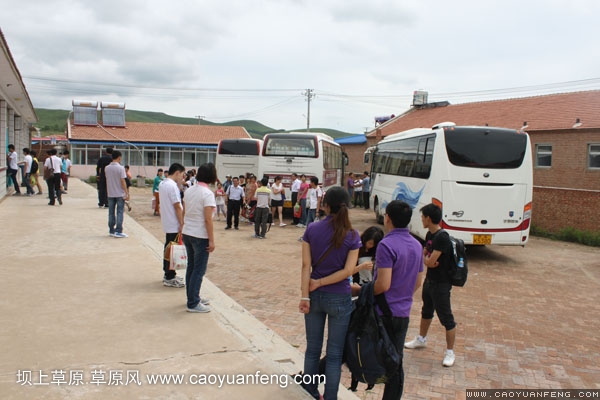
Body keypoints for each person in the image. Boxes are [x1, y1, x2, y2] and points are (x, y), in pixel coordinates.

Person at [299, 186, 361, 400]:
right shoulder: (352, 235)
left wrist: (305, 294)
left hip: (314, 297)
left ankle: (309, 393)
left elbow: (305, 265)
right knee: (334, 355)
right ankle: (331, 397)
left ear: (325, 205)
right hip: (340, 298)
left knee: (312, 350)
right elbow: (348, 271)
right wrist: (322, 282)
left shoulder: (312, 229)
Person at [373, 200, 424, 399]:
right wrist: (402, 296)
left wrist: (365, 291)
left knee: (353, 348)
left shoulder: (386, 244)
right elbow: (418, 281)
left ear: (388, 219)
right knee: (396, 362)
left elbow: (383, 285)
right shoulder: (417, 245)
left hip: (381, 313)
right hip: (403, 312)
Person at [404, 203, 457, 368]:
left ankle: (450, 352)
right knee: (426, 311)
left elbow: (430, 259)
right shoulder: (430, 234)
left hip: (442, 284)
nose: (421, 220)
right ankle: (421, 339)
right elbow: (425, 255)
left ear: (428, 218)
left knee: (446, 317)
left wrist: (427, 260)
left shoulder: (442, 237)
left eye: (422, 217)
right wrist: (427, 260)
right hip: (430, 280)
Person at [182, 163, 217, 313]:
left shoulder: (189, 190)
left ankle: (192, 296)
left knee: (191, 267)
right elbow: (208, 219)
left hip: (188, 232)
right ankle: (193, 302)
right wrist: (211, 240)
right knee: (199, 269)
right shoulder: (207, 194)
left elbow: (184, 212)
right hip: (200, 234)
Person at [159, 163, 186, 288]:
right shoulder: (172, 186)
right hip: (174, 222)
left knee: (169, 248)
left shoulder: (163, 183)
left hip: (168, 222)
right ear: (176, 172)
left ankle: (170, 274)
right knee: (172, 250)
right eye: (182, 174)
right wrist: (181, 223)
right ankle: (169, 276)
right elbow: (177, 206)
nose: (182, 177)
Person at [105, 150, 130, 238]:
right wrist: (126, 193)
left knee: (111, 212)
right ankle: (118, 230)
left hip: (110, 193)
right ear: (119, 157)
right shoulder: (121, 168)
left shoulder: (107, 168)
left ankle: (111, 230)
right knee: (119, 212)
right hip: (119, 193)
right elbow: (123, 181)